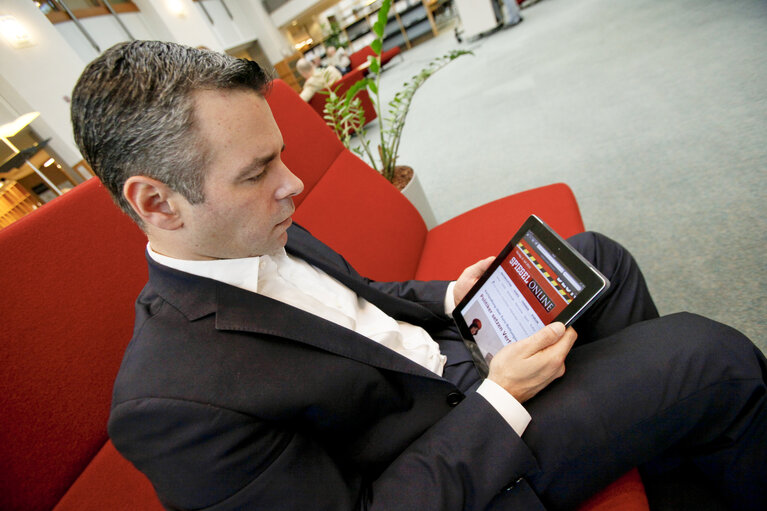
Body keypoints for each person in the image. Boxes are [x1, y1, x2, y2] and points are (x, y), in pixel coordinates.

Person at [71, 40, 767, 511]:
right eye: (256, 172)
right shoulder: (171, 405)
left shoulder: (248, 225)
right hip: (464, 458)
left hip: (454, 365)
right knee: (712, 357)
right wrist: (500, 399)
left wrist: (447, 295)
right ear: (156, 202)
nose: (294, 183)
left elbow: (359, 308)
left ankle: (675, 453)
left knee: (595, 259)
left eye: (278, 156)